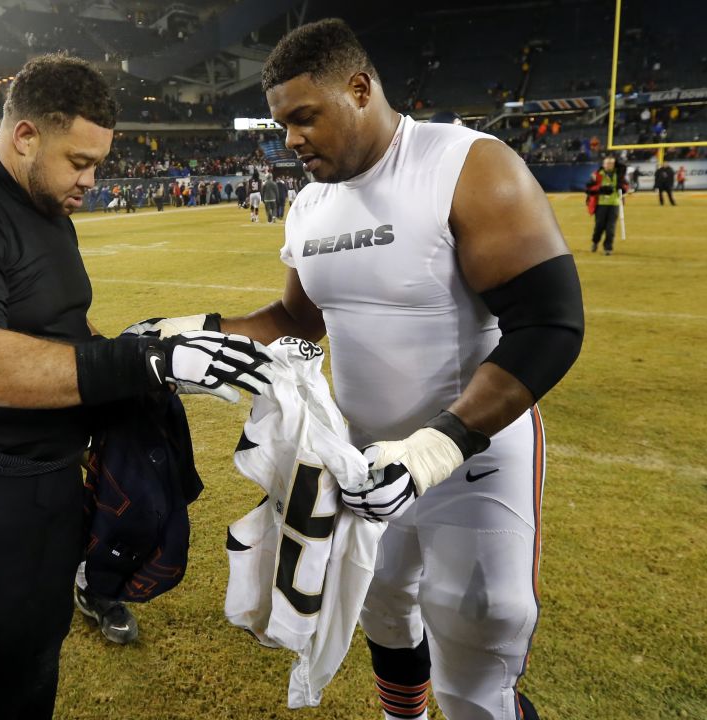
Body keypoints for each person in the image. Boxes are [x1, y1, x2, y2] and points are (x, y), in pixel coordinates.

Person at [131, 19, 582, 720]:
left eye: (304, 117)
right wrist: (186, 331)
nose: (290, 140)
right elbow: (294, 324)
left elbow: (549, 323)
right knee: (382, 604)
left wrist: (439, 445)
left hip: (476, 453)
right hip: (364, 456)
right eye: (282, 124)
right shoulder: (310, 203)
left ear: (360, 89)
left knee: (479, 628)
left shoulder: (467, 163)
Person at [0, 52, 271, 719]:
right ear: (26, 135)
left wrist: (132, 352)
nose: (91, 180)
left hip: (38, 474)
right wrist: (145, 363)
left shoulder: (42, 203)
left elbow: (58, 326)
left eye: (97, 163)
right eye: (80, 162)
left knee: (34, 653)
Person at [586, 155, 628, 254]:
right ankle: (595, 242)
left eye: (611, 163)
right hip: (601, 204)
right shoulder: (597, 174)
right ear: (603, 164)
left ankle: (608, 248)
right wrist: (600, 189)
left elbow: (626, 186)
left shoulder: (619, 175)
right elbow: (588, 189)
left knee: (611, 228)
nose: (609, 165)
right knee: (599, 226)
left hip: (614, 204)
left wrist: (623, 187)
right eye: (607, 163)